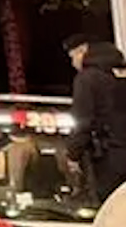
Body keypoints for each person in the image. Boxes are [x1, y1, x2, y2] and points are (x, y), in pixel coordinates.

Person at [67, 34, 126, 205]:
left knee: (111, 208)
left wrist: (73, 154)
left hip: (109, 158)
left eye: (73, 57)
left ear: (83, 50)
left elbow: (83, 121)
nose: (73, 64)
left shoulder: (88, 78)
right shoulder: (121, 74)